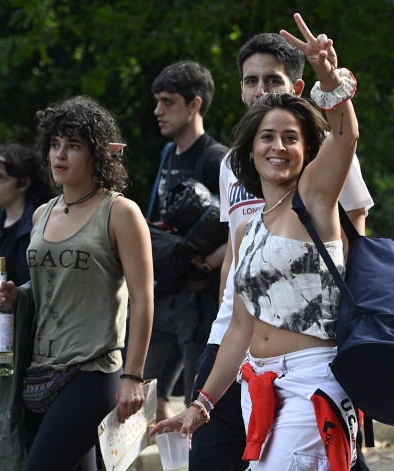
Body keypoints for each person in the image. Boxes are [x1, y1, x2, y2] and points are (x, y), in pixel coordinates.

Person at [152, 13, 363, 470]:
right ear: (251, 150)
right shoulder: (249, 230)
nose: (278, 147)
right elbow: (240, 329)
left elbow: (345, 136)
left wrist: (327, 73)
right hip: (256, 383)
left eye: (291, 138)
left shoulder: (316, 201)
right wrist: (200, 406)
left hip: (314, 379)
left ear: (308, 150)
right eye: (267, 137)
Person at [0, 95, 153, 471]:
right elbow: (47, 288)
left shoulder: (121, 212)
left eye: (73, 146)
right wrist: (15, 297)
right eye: (55, 145)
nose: (60, 155)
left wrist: (132, 376)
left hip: (93, 372)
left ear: (97, 154)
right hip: (39, 368)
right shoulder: (42, 214)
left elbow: (143, 299)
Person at [144, 60, 229, 420]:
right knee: (147, 392)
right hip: (167, 296)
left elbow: (249, 227)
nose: (157, 111)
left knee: (202, 404)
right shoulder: (167, 155)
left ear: (195, 104)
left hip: (202, 304)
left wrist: (211, 260)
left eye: (167, 102)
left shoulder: (218, 160)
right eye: (157, 101)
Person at [0, 142, 54, 471]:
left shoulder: (36, 227)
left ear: (23, 183)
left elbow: (40, 292)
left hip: (23, 348)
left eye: (2, 177)